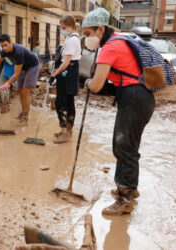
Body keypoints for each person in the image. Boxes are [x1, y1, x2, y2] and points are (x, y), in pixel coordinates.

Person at [82, 8, 155, 215]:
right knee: (123, 144)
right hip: (138, 97)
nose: (86, 38)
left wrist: (87, 82)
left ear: (100, 29)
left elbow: (96, 85)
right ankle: (128, 187)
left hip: (134, 97)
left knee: (125, 147)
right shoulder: (118, 41)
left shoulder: (110, 47)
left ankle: (126, 199)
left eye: (88, 33)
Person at [0, 34, 40, 126]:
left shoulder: (18, 52)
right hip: (23, 67)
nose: (4, 48)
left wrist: (7, 83)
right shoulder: (4, 51)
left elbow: (16, 74)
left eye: (6, 45)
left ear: (11, 43)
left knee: (25, 91)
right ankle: (23, 112)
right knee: (19, 90)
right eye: (2, 46)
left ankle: (26, 117)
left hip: (32, 66)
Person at [48, 15, 81, 143]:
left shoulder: (72, 40)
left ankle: (66, 132)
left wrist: (53, 75)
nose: (62, 30)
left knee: (63, 103)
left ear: (70, 26)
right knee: (65, 102)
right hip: (68, 72)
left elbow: (66, 62)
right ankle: (66, 131)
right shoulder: (70, 37)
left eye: (63, 27)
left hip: (69, 72)